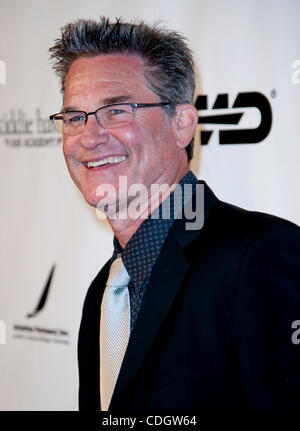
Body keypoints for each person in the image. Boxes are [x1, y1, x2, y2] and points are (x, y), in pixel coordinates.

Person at [49, 17, 300, 412]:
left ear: (182, 124)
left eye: (116, 111)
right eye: (75, 117)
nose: (89, 137)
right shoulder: (104, 291)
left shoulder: (258, 256)